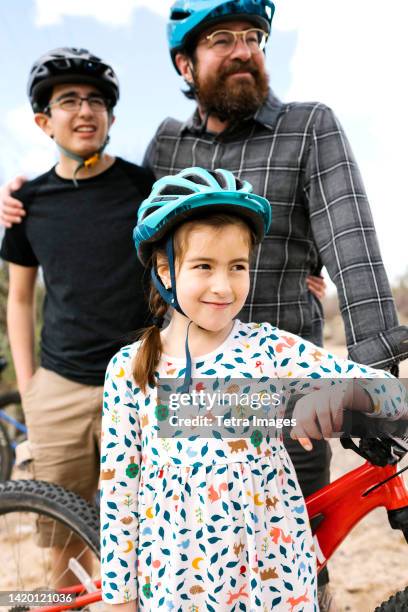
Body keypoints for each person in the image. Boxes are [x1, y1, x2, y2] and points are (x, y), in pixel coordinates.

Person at [141, 2, 408, 606]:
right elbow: (133, 238)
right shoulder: (164, 143)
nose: (243, 49)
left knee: (296, 565)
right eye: (220, 39)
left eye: (253, 36)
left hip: (289, 385)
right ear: (185, 62)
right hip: (187, 397)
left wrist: (376, 364)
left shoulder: (308, 124)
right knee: (192, 564)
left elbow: (349, 238)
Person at [100, 167, 407, 610]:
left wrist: (338, 397)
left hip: (273, 577)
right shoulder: (129, 370)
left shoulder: (270, 347)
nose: (223, 286)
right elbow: (118, 496)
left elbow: (389, 399)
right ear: (165, 271)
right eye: (203, 266)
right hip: (177, 582)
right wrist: (119, 598)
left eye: (237, 267)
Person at [0, 47, 154, 585]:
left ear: (111, 116)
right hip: (59, 389)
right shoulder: (28, 203)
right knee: (63, 543)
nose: (84, 111)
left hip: (140, 383)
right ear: (44, 121)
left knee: (152, 532)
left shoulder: (143, 187)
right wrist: (30, 386)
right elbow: (19, 298)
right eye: (68, 100)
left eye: (96, 101)